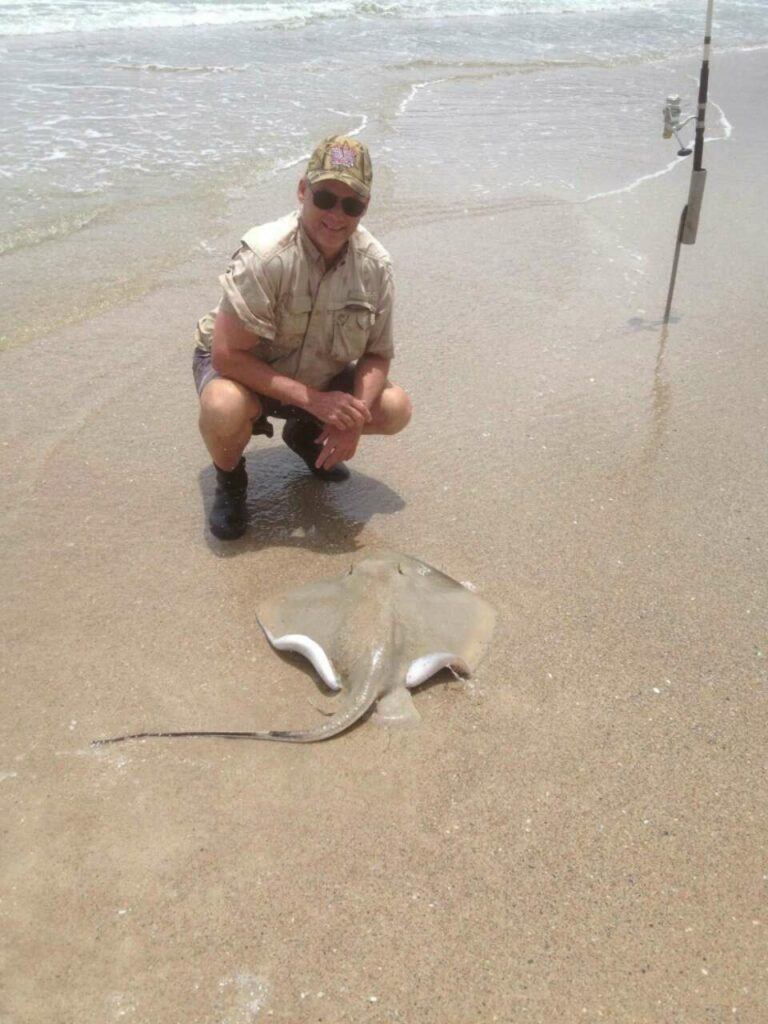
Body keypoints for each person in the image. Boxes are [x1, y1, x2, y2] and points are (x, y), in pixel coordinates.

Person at [192, 134, 412, 540]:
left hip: (317, 375)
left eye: (352, 204)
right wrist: (315, 401)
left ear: (365, 208)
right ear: (302, 191)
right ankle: (231, 481)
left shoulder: (376, 266)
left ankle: (307, 436)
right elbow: (227, 354)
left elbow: (377, 355)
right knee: (223, 407)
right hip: (244, 372)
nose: (336, 214)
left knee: (394, 407)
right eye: (325, 198)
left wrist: (353, 418)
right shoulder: (264, 255)